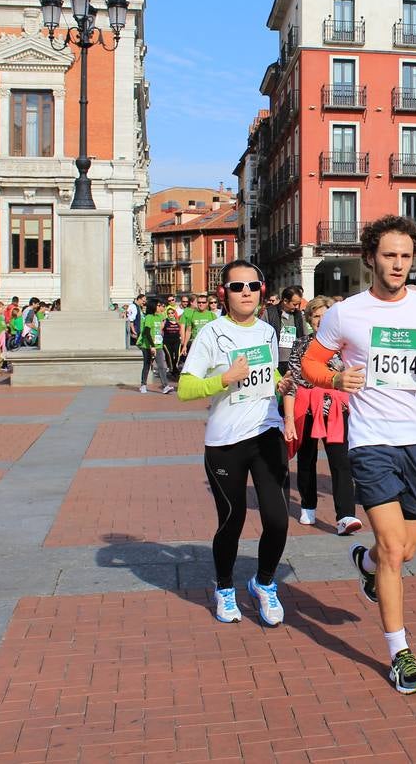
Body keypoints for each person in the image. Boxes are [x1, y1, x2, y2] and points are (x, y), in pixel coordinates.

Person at [299, 215, 416, 694]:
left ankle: (367, 567)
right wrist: (334, 378)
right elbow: (311, 361)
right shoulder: (345, 313)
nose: (397, 264)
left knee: (404, 550)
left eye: (405, 256)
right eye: (389, 255)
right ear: (370, 257)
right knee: (394, 548)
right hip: (370, 441)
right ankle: (400, 654)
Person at [178, 259, 294, 628]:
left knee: (277, 520)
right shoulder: (211, 334)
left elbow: (267, 371)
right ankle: (225, 588)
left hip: (266, 433)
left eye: (253, 286)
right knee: (233, 519)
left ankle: (263, 583)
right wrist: (223, 379)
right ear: (223, 293)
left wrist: (279, 383)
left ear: (262, 291)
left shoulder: (267, 331)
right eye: (237, 287)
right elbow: (185, 388)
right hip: (226, 441)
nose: (246, 292)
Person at [282, 295, 361, 535]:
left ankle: (345, 515)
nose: (320, 320)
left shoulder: (345, 346)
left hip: (337, 410)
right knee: (306, 460)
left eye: (325, 316)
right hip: (306, 409)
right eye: (316, 316)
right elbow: (293, 382)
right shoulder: (301, 345)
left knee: (341, 462)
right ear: (309, 320)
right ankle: (307, 505)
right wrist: (288, 419)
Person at [264, 286, 307, 375]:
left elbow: (305, 336)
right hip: (275, 361)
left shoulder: (299, 315)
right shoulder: (269, 313)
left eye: (298, 304)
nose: (296, 307)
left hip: (294, 361)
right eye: (294, 304)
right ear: (285, 301)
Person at [136, 299, 172, 394]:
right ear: (153, 306)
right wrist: (152, 346)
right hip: (148, 345)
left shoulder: (160, 316)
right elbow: (147, 332)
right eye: (158, 305)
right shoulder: (149, 317)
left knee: (161, 365)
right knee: (147, 365)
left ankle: (165, 386)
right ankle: (143, 385)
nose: (160, 307)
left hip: (158, 345)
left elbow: (160, 328)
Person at [161, 306, 184, 377]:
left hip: (176, 340)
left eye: (172, 313)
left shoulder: (178, 322)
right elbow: (160, 330)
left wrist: (182, 339)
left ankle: (175, 368)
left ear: (174, 314)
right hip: (167, 341)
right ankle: (172, 370)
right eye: (169, 313)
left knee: (177, 355)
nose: (170, 314)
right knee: (169, 356)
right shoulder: (165, 322)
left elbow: (181, 330)